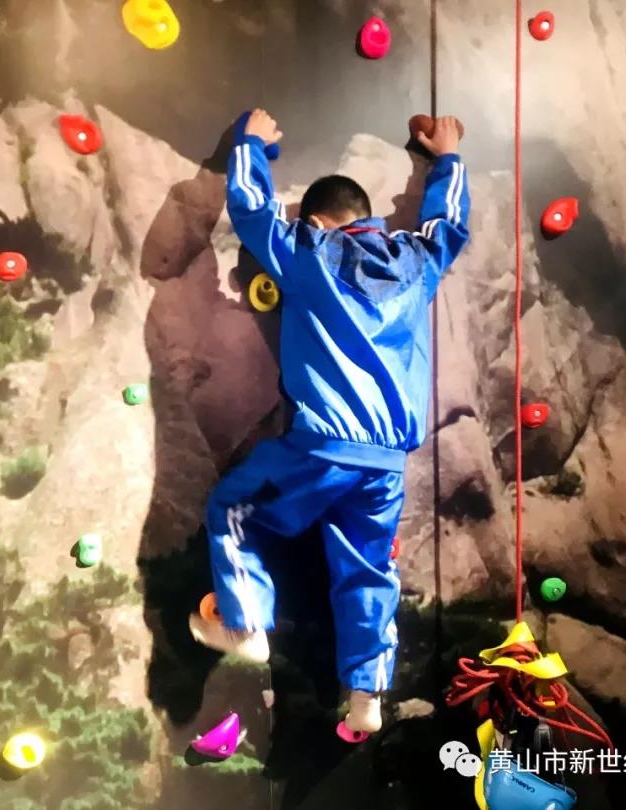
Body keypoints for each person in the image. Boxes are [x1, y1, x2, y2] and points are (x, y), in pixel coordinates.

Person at [188, 108, 470, 734]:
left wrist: (250, 145)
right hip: (386, 463)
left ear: (316, 221)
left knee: (232, 509)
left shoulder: (308, 250)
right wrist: (447, 158)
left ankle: (245, 622)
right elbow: (449, 225)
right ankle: (367, 697)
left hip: (320, 447)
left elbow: (252, 210)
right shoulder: (416, 260)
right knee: (368, 570)